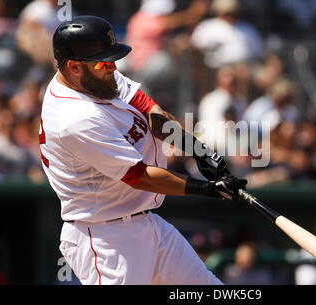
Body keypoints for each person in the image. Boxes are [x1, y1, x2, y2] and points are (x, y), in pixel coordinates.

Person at [40, 16, 247, 285]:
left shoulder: (98, 78)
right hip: (106, 240)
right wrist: (208, 189)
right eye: (105, 61)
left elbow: (148, 109)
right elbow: (140, 177)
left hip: (145, 224)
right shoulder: (74, 118)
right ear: (74, 67)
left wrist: (197, 149)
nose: (113, 67)